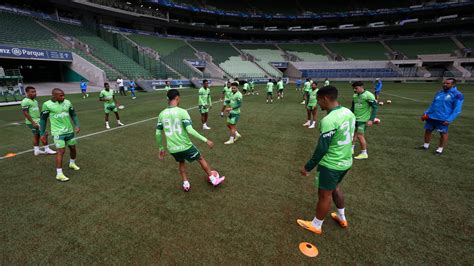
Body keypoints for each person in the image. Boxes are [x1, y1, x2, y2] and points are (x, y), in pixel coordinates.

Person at [297, 85, 355, 235]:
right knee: (335, 188)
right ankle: (342, 217)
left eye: (319, 100)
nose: (317, 104)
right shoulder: (348, 112)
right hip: (346, 161)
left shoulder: (329, 120)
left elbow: (322, 149)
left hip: (331, 164)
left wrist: (307, 167)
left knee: (324, 194)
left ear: (326, 98)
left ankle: (316, 225)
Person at [156, 89, 225, 191]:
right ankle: (212, 178)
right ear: (177, 98)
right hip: (185, 146)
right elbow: (190, 130)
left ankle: (185, 183)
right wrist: (206, 140)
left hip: (173, 149)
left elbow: (157, 133)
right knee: (200, 158)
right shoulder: (182, 112)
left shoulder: (162, 114)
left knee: (181, 162)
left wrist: (161, 148)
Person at [39, 88, 80, 182]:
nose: (63, 97)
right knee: (61, 151)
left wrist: (77, 125)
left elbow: (73, 114)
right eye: (61, 95)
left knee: (73, 148)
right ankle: (59, 174)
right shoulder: (47, 104)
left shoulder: (68, 102)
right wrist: (42, 133)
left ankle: (72, 163)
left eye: (63, 95)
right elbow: (43, 119)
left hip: (69, 131)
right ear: (54, 95)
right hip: (57, 132)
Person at [419, 78, 464, 154]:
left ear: (453, 84)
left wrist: (449, 119)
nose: (445, 85)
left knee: (443, 133)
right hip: (431, 116)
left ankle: (440, 149)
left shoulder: (458, 95)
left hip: (443, 118)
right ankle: (425, 146)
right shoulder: (439, 93)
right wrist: (426, 113)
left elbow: (457, 110)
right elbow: (433, 104)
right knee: (428, 130)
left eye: (447, 83)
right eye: (444, 83)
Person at [21, 86, 56, 156]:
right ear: (27, 93)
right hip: (33, 122)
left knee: (36, 135)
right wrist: (33, 122)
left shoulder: (35, 101)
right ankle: (47, 149)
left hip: (37, 120)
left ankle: (36, 150)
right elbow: (25, 113)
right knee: (44, 133)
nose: (35, 93)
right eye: (32, 92)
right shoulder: (25, 101)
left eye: (35, 92)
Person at [351, 81, 378, 160]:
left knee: (359, 135)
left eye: (356, 88)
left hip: (363, 120)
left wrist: (371, 119)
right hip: (355, 118)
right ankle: (351, 149)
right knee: (354, 133)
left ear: (361, 87)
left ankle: (364, 153)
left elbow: (375, 108)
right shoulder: (355, 95)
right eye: (353, 88)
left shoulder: (368, 95)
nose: (355, 90)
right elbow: (353, 107)